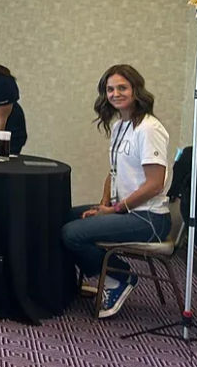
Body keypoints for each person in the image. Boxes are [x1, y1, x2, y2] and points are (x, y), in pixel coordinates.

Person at [61, 64, 171, 318]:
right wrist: (103, 206)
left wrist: (115, 210)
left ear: (136, 90)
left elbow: (155, 183)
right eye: (110, 89)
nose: (115, 93)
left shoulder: (149, 129)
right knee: (62, 216)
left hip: (148, 218)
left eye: (122, 88)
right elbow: (114, 173)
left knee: (71, 234)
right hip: (124, 211)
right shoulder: (121, 125)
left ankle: (118, 276)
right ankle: (72, 282)